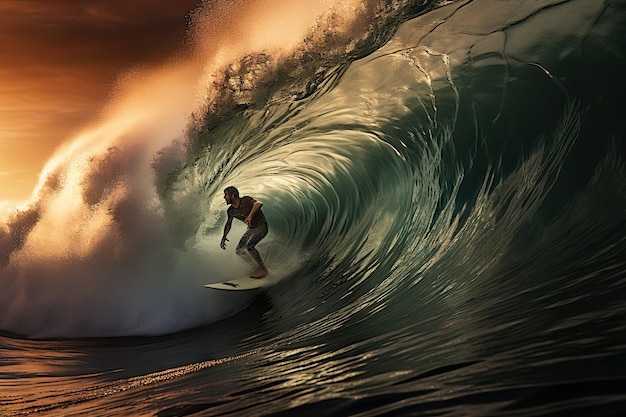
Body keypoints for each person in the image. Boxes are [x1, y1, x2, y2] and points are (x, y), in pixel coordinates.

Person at [220, 186, 269, 278]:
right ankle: (256, 267)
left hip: (261, 226)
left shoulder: (246, 200)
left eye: (226, 195)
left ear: (233, 196)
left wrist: (250, 216)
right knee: (239, 250)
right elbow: (228, 224)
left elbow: (258, 204)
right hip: (251, 229)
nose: (224, 197)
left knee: (249, 246)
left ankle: (263, 269)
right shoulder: (231, 211)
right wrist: (224, 237)